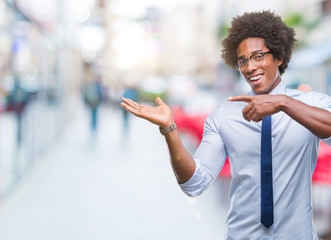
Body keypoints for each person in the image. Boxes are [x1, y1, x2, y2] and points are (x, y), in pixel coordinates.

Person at [121, 10, 331, 239]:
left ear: (279, 57)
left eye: (258, 56)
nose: (250, 67)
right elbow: (194, 184)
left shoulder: (309, 105)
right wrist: (169, 129)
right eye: (243, 61)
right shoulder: (224, 116)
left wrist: (283, 103)